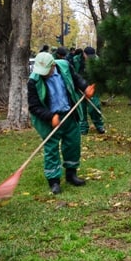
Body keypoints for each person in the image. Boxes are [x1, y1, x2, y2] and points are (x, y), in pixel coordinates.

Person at [27, 51, 95, 194]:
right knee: (51, 149)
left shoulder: (64, 66)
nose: (43, 74)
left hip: (69, 114)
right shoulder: (33, 81)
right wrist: (50, 116)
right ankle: (54, 181)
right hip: (50, 118)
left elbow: (76, 79)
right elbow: (34, 106)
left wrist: (85, 87)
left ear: (53, 65)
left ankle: (71, 175)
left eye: (46, 71)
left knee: (73, 144)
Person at [77, 46, 105, 134]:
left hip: (92, 87)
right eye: (88, 56)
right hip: (79, 87)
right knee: (81, 108)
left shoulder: (97, 61)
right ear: (84, 54)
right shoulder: (76, 60)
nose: (90, 58)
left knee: (94, 106)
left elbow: (100, 75)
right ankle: (83, 128)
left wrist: (93, 85)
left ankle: (99, 125)